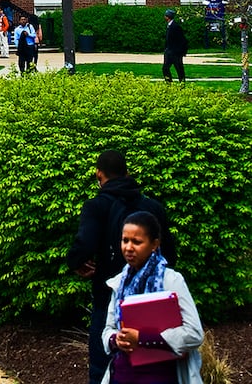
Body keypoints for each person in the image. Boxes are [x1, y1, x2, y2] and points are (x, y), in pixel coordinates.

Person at [67, 150, 177, 384]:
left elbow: (84, 243)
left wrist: (77, 263)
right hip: (151, 295)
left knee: (103, 361)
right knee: (152, 361)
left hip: (108, 290)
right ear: (127, 173)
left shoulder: (97, 206)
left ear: (99, 174)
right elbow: (170, 251)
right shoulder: (152, 207)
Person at [101, 211, 203, 384]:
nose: (128, 248)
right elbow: (108, 329)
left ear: (154, 244)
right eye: (125, 240)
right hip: (122, 373)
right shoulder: (119, 283)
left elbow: (194, 333)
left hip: (160, 375)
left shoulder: (171, 280)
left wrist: (141, 338)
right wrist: (116, 339)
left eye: (137, 242)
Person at [163, 9, 188, 83]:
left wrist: (181, 52)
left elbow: (182, 40)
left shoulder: (175, 26)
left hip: (175, 53)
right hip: (169, 52)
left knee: (179, 68)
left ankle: (182, 83)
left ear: (168, 17)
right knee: (165, 68)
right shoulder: (170, 26)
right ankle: (169, 82)